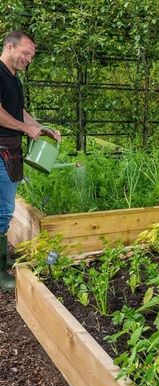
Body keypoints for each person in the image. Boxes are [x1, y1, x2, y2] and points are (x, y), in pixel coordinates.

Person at [0, 31, 61, 291]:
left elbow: (18, 112)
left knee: (3, 211)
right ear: (9, 47)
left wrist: (40, 127)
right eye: (26, 53)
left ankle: (2, 260)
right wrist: (26, 130)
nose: (29, 59)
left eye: (32, 56)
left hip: (9, 152)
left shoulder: (13, 79)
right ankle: (0, 271)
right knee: (2, 213)